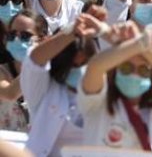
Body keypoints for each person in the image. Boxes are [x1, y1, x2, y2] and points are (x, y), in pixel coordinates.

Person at [78, 19, 152, 154]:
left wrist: (141, 43)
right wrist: (140, 42)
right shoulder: (96, 104)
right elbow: (95, 67)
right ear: (114, 69)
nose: (134, 75)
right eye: (126, 68)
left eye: (143, 70)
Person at [20, 13, 99, 156]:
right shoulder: (44, 90)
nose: (80, 69)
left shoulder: (105, 91)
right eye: (74, 66)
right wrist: (71, 33)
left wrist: (104, 31)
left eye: (84, 64)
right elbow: (33, 61)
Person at [0, 9, 47, 132]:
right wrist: (35, 61)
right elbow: (10, 94)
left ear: (42, 40)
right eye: (12, 35)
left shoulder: (51, 72)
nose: (16, 39)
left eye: (25, 36)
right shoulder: (2, 71)